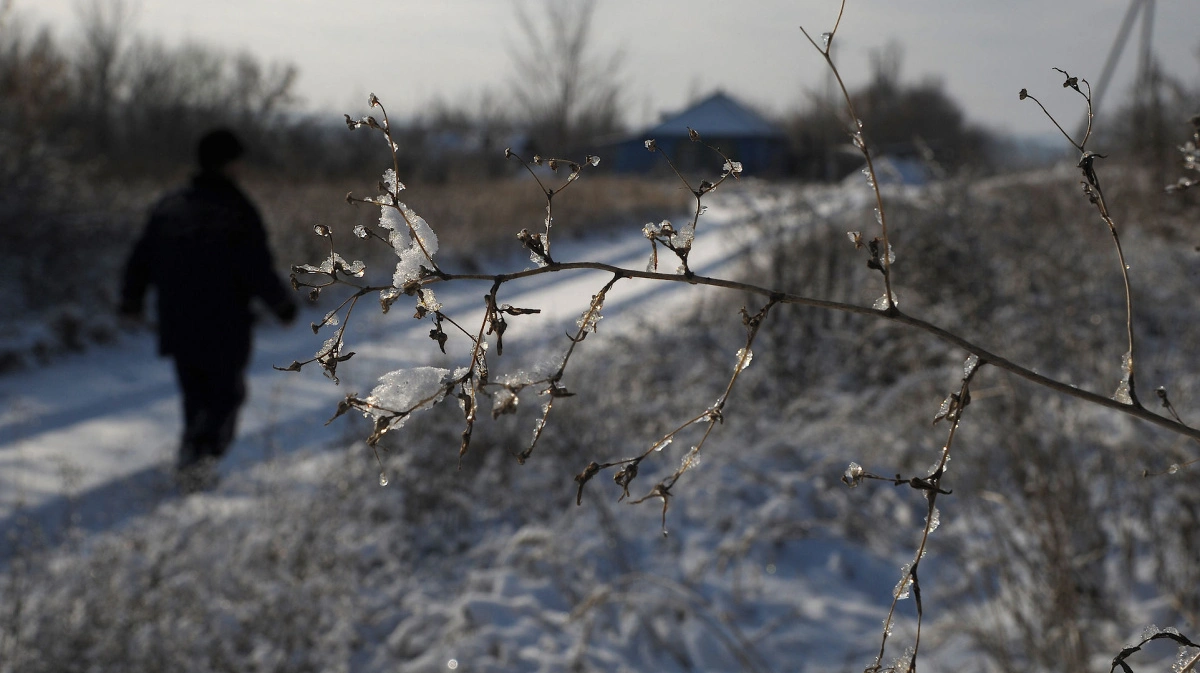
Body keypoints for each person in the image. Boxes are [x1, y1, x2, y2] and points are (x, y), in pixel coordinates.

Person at [120, 128, 297, 491]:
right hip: (224, 322)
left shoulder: (171, 205)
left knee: (195, 394)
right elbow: (254, 265)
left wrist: (132, 300)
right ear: (230, 163)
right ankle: (199, 461)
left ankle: (192, 458)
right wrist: (280, 305)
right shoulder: (236, 207)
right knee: (226, 396)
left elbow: (141, 257)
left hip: (178, 320)